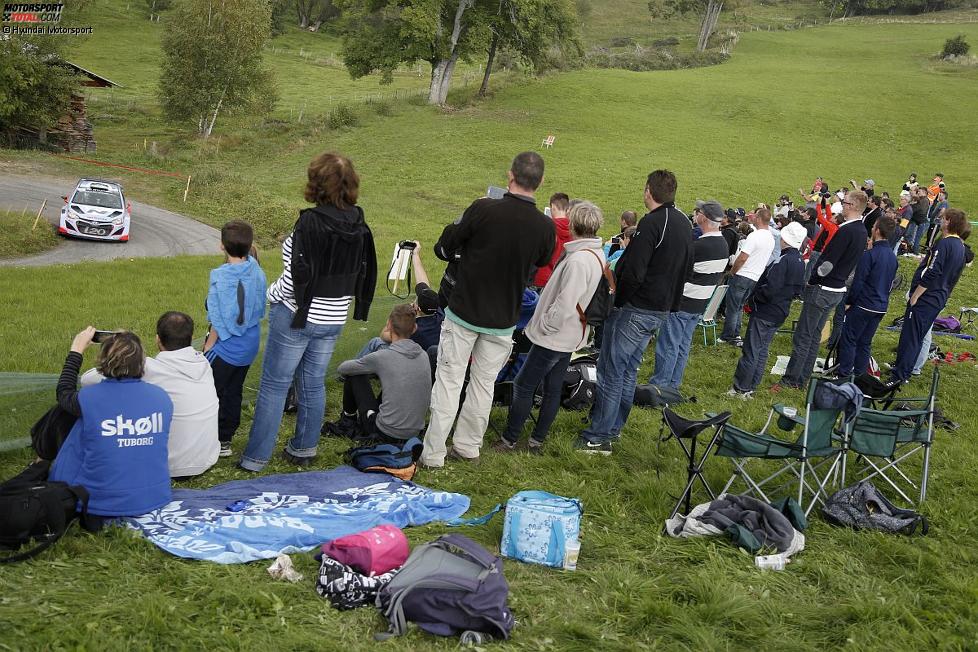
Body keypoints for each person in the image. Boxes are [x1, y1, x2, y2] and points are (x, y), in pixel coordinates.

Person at [241, 152, 377, 471]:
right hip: (334, 317)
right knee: (312, 383)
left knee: (275, 385)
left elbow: (293, 280)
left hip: (297, 317)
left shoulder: (309, 223)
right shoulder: (359, 222)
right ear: (350, 184)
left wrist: (270, 295)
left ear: (315, 184)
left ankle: (255, 458)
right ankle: (304, 449)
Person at [419, 152, 554, 468]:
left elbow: (445, 247)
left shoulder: (483, 209)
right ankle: (467, 446)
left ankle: (435, 452)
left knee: (450, 381)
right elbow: (542, 263)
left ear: (510, 176)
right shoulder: (543, 227)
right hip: (504, 316)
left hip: (465, 310)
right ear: (540, 182)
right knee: (482, 384)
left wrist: (470, 216)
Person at [574, 170, 692, 454]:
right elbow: (686, 268)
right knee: (627, 369)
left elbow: (634, 269)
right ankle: (613, 428)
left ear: (648, 191)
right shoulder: (684, 222)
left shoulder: (652, 223)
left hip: (637, 308)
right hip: (660, 309)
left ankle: (599, 435)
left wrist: (619, 299)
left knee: (612, 369)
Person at [493, 201, 605, 454]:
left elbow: (565, 303)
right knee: (553, 387)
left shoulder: (579, 260)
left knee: (524, 385)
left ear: (574, 224)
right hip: (570, 332)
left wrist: (543, 325)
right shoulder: (594, 253)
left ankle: (511, 439)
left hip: (555, 334)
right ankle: (536, 440)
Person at [48, 328, 172, 522]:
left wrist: (76, 350)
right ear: (142, 361)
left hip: (97, 504)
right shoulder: (162, 397)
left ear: (103, 360)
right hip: (156, 496)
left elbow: (63, 392)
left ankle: (41, 465)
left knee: (74, 420)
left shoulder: (89, 398)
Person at [82, 312, 219, 479]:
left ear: (157, 339)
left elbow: (87, 380)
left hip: (169, 466)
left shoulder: (150, 368)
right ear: (190, 339)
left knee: (115, 391)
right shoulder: (204, 362)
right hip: (207, 458)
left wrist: (120, 345)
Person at [776, 190, 870, 391]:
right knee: (814, 334)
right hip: (837, 289)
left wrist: (813, 279)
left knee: (804, 335)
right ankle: (802, 377)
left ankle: (792, 379)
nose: (842, 205)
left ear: (852, 206)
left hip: (824, 287)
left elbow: (827, 263)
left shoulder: (847, 230)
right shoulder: (862, 231)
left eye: (844, 202)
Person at [202, 220, 267, 458]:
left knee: (213, 392)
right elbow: (259, 308)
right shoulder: (257, 270)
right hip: (249, 345)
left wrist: (209, 345)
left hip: (226, 347)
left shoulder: (220, 276)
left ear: (222, 246)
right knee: (234, 390)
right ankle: (226, 438)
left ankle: (214, 439)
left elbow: (219, 316)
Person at [649, 200, 728, 390]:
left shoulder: (699, 246)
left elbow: (676, 271)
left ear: (704, 218)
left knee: (669, 344)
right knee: (682, 345)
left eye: (698, 212)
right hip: (700, 303)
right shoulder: (723, 244)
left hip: (683, 301)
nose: (695, 214)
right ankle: (673, 383)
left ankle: (660, 385)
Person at [325, 304, 432, 442]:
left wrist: (369, 366)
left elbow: (343, 368)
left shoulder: (382, 357)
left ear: (388, 326)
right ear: (415, 328)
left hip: (385, 431)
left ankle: (348, 420)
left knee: (355, 375)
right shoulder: (423, 354)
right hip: (414, 431)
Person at [727, 222, 807, 398]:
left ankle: (740, 387)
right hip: (780, 310)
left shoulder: (783, 260)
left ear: (785, 239)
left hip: (766, 310)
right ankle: (751, 386)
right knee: (762, 349)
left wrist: (755, 299)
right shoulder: (799, 261)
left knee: (752, 349)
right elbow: (798, 289)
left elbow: (770, 287)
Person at [891, 208, 970, 383]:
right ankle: (905, 369)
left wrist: (916, 295)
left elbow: (933, 271)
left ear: (949, 222)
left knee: (911, 336)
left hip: (927, 297)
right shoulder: (960, 246)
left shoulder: (945, 244)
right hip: (939, 296)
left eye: (943, 219)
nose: (940, 221)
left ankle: (900, 375)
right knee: (918, 335)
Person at [835, 215, 898, 377]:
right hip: (881, 306)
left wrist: (850, 301)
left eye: (873, 227)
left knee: (849, 339)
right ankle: (860, 375)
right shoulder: (892, 256)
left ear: (877, 230)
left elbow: (858, 282)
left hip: (863, 304)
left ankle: (844, 374)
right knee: (865, 342)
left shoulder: (869, 255)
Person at [718, 208, 775, 345]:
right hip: (755, 277)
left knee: (732, 307)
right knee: (739, 306)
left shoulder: (754, 236)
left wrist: (733, 272)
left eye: (755, 216)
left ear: (759, 218)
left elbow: (743, 257)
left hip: (743, 274)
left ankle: (729, 335)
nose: (752, 218)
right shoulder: (771, 238)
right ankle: (735, 333)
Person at [532, 193, 572, 289]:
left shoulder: (545, 227)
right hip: (559, 282)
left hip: (540, 279)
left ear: (553, 207)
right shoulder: (575, 230)